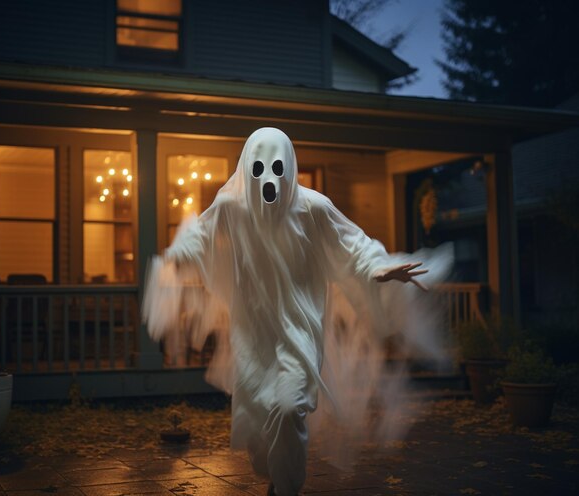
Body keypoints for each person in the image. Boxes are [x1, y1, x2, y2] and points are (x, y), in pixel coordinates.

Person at [143, 127, 451, 496]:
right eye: (259, 169)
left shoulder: (313, 208)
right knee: (258, 418)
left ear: (288, 166)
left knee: (289, 408)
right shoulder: (232, 208)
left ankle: (285, 490)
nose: (268, 180)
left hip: (299, 331)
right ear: (247, 168)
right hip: (253, 334)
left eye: (276, 168)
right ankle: (274, 471)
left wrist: (375, 267)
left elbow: (352, 243)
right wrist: (177, 258)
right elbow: (201, 235)